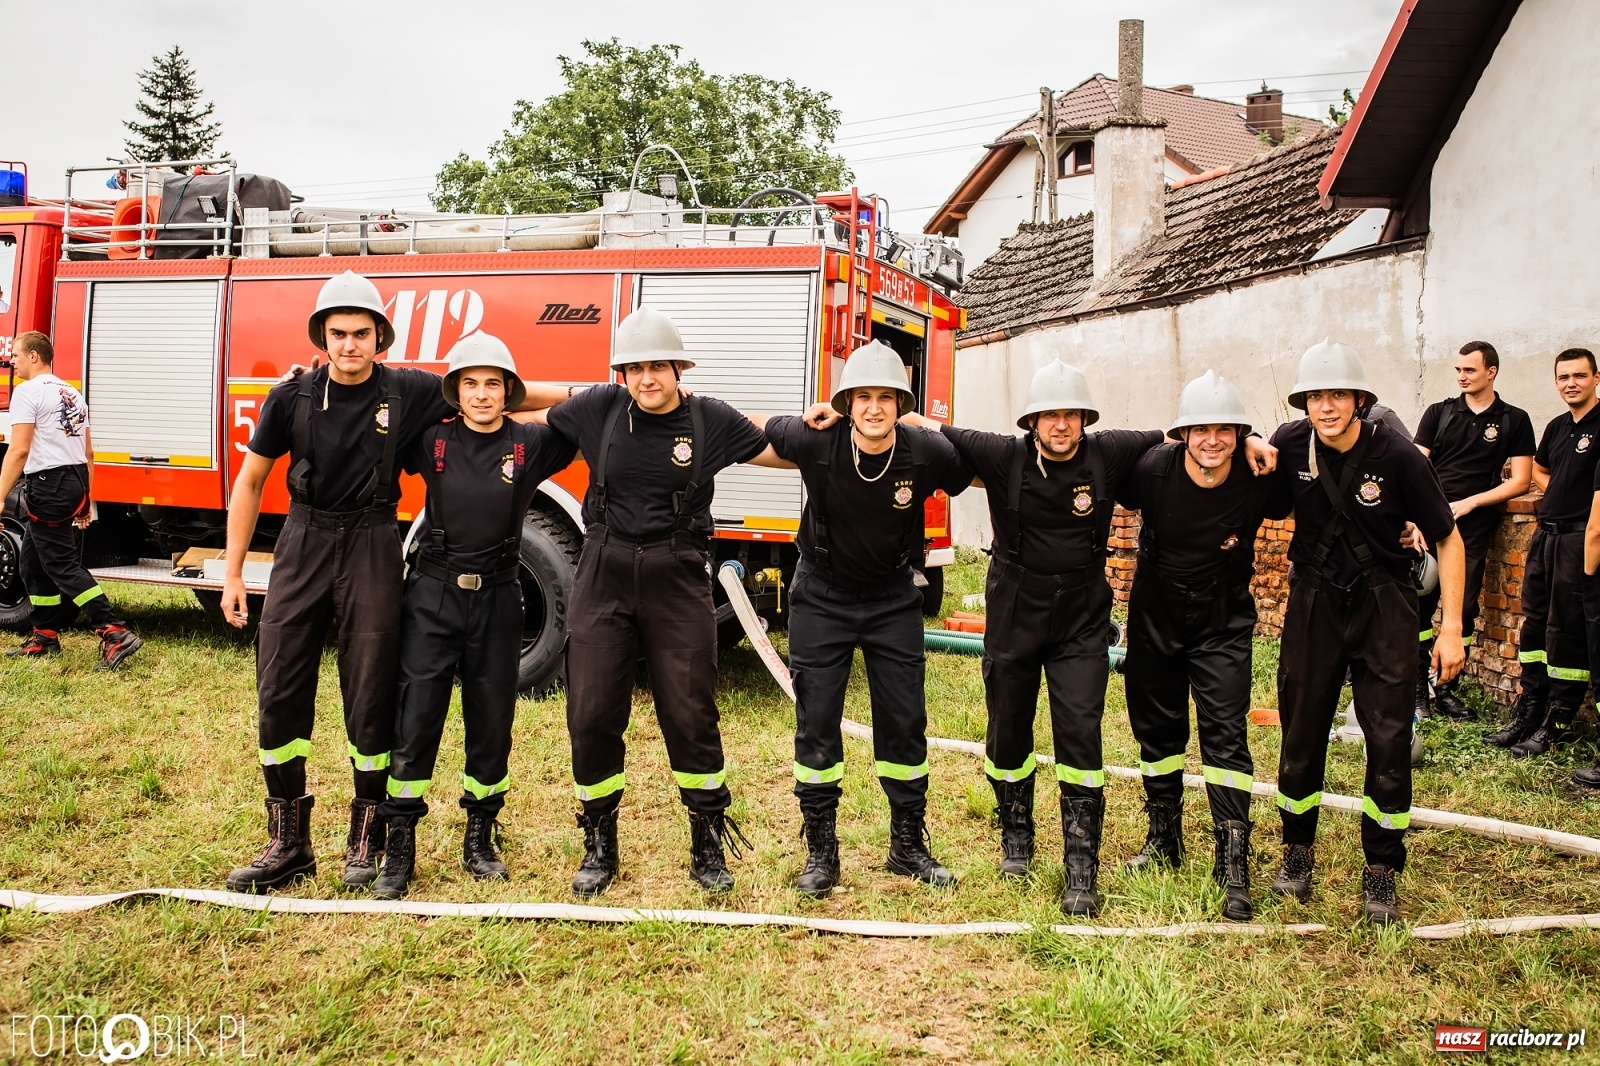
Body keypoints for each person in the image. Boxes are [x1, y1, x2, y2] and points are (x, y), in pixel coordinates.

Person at [884, 361, 1273, 916]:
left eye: (1071, 414)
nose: (1061, 424)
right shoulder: (1000, 454)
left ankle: (1080, 868)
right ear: (1033, 421)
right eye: (1050, 415)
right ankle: (1016, 837)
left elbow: (1183, 432)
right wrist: (866, 418)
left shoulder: (1111, 451)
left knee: (1080, 732)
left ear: (1085, 419)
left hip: (1083, 619)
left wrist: (1252, 434)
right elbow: (931, 427)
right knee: (1007, 726)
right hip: (1015, 612)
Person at [221, 271, 564, 894]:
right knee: (279, 687)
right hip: (301, 540)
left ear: (381, 337)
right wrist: (234, 571)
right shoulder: (290, 397)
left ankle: (366, 837)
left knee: (372, 691)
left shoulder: (409, 390)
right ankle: (287, 840)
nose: (349, 345)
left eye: (361, 334)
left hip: (374, 540)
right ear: (321, 337)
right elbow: (249, 482)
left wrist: (604, 394)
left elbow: (484, 391)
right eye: (337, 334)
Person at [542, 306, 778, 897]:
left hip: (677, 572)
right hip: (604, 568)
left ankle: (706, 840)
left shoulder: (709, 420)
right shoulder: (598, 409)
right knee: (592, 711)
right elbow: (534, 402)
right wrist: (470, 395)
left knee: (690, 711)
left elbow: (777, 442)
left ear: (678, 367)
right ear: (622, 373)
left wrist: (835, 425)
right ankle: (599, 840)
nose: (647, 378)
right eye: (635, 368)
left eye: (658, 367)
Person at [761, 341, 973, 897]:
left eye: (887, 398)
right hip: (823, 596)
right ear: (846, 402)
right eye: (864, 397)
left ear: (900, 404)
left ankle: (907, 847)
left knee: (904, 722)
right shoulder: (816, 438)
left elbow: (982, 462)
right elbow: (758, 431)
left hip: (891, 600)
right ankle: (821, 853)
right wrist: (796, 413)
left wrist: (926, 419)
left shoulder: (925, 452)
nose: (875, 408)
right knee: (817, 723)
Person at [370, 333, 577, 899]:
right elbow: (377, 399)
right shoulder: (429, 439)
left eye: (494, 384)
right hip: (432, 598)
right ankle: (400, 846)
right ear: (453, 392)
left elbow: (586, 409)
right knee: (416, 719)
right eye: (470, 384)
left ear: (510, 390)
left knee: (492, 723)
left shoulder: (530, 444)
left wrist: (531, 394)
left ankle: (480, 836)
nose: (482, 395)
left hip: (499, 601)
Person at [1269, 338, 1465, 925]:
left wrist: (1451, 625)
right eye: (1314, 397)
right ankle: (1297, 850)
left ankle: (1381, 867)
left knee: (1388, 739)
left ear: (1358, 399)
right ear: (1302, 403)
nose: (1326, 407)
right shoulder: (1287, 445)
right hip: (1313, 603)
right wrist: (1251, 442)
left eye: (1337, 395)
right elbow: (1255, 490)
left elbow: (1449, 537)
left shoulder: (1400, 455)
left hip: (1385, 604)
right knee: (1300, 731)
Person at [1117, 371, 1291, 922]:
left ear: (1240, 435)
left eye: (1225, 430)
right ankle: (1163, 839)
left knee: (1225, 735)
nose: (1211, 440)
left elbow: (1309, 451)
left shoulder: (1259, 475)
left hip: (1222, 623)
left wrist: (1264, 439)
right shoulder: (1152, 469)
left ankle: (1232, 858)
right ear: (1182, 434)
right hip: (1156, 619)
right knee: (1158, 731)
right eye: (1200, 430)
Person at [0, 331, 142, 668]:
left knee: (61, 564)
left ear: (35, 356)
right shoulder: (72, 393)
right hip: (74, 479)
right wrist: (85, 500)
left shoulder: (27, 392)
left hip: (48, 483)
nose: (12, 361)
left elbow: (19, 449)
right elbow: (89, 452)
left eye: (17, 355)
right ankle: (45, 635)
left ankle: (113, 630)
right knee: (32, 561)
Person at [1485, 348, 1600, 756]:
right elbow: (1540, 467)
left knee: (1566, 630)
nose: (1570, 383)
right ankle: (1530, 710)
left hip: (1577, 539)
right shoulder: (1555, 426)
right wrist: (1558, 495)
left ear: (1596, 378)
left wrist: (1579, 512)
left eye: (1579, 376)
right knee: (1534, 625)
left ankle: (1560, 720)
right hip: (1545, 538)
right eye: (1563, 377)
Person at [1411, 341, 1535, 718]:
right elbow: (1414, 471)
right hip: (1429, 524)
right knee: (1418, 604)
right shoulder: (1439, 413)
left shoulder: (1514, 419)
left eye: (1470, 370)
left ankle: (1445, 688)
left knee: (1462, 609)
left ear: (1491, 372)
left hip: (1474, 528)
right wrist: (1414, 517)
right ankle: (1417, 689)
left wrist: (1471, 502)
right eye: (1458, 370)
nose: (1462, 376)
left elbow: (1521, 480)